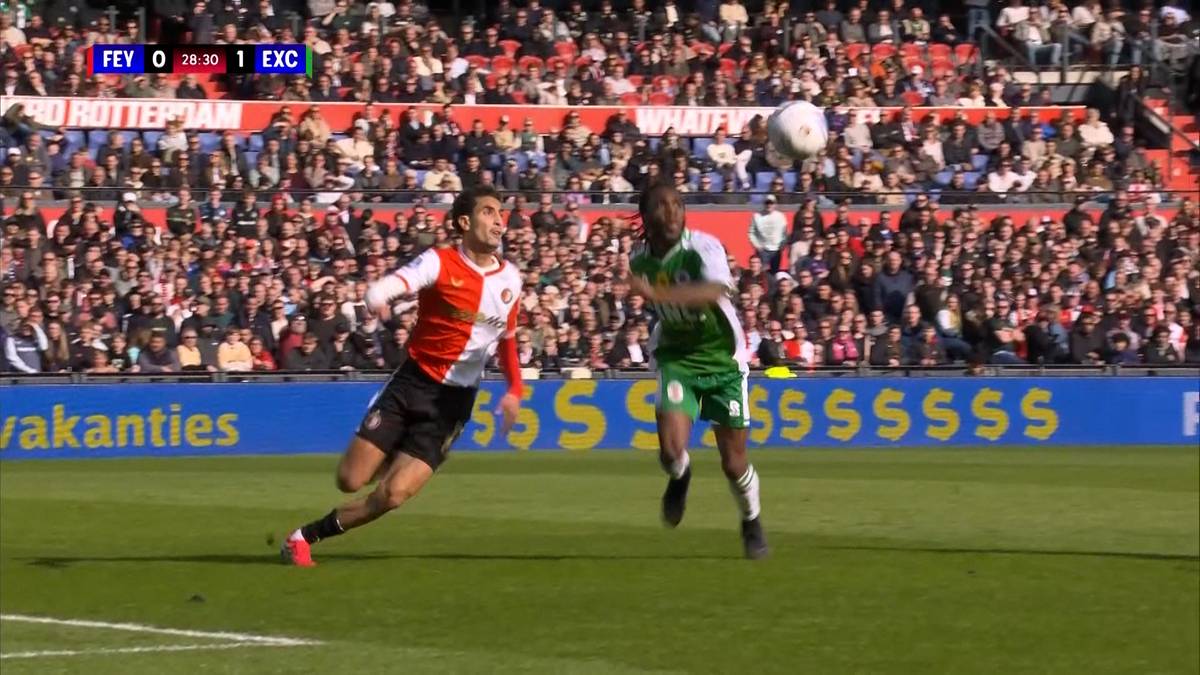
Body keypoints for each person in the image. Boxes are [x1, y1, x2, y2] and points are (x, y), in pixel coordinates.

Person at [281, 186, 524, 567]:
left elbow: (507, 340)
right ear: (464, 222)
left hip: (452, 405)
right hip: (412, 384)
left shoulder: (510, 278)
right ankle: (393, 444)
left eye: (501, 213)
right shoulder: (439, 262)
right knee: (349, 479)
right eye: (489, 211)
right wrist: (376, 298)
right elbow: (390, 285)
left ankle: (304, 537)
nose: (499, 220)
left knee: (392, 495)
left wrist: (515, 389)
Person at [627, 184, 768, 560]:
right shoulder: (638, 258)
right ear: (647, 217)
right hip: (678, 359)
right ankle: (681, 475)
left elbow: (713, 290)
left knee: (733, 464)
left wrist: (657, 295)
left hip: (723, 360)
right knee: (671, 452)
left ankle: (751, 520)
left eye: (678, 204)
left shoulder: (704, 247)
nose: (672, 211)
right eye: (662, 206)